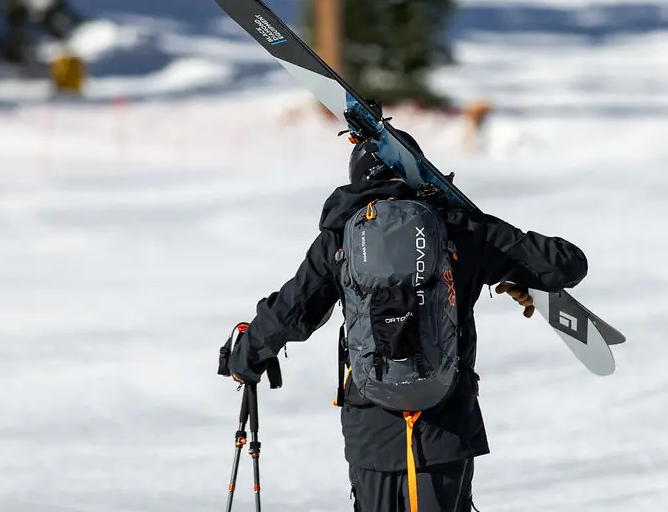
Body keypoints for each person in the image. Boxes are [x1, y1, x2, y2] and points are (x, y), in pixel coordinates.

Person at [227, 133, 588, 512]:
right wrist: (519, 276)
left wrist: (244, 360)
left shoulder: (341, 239)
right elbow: (567, 264)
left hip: (372, 431)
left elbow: (289, 313)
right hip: (446, 428)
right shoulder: (463, 230)